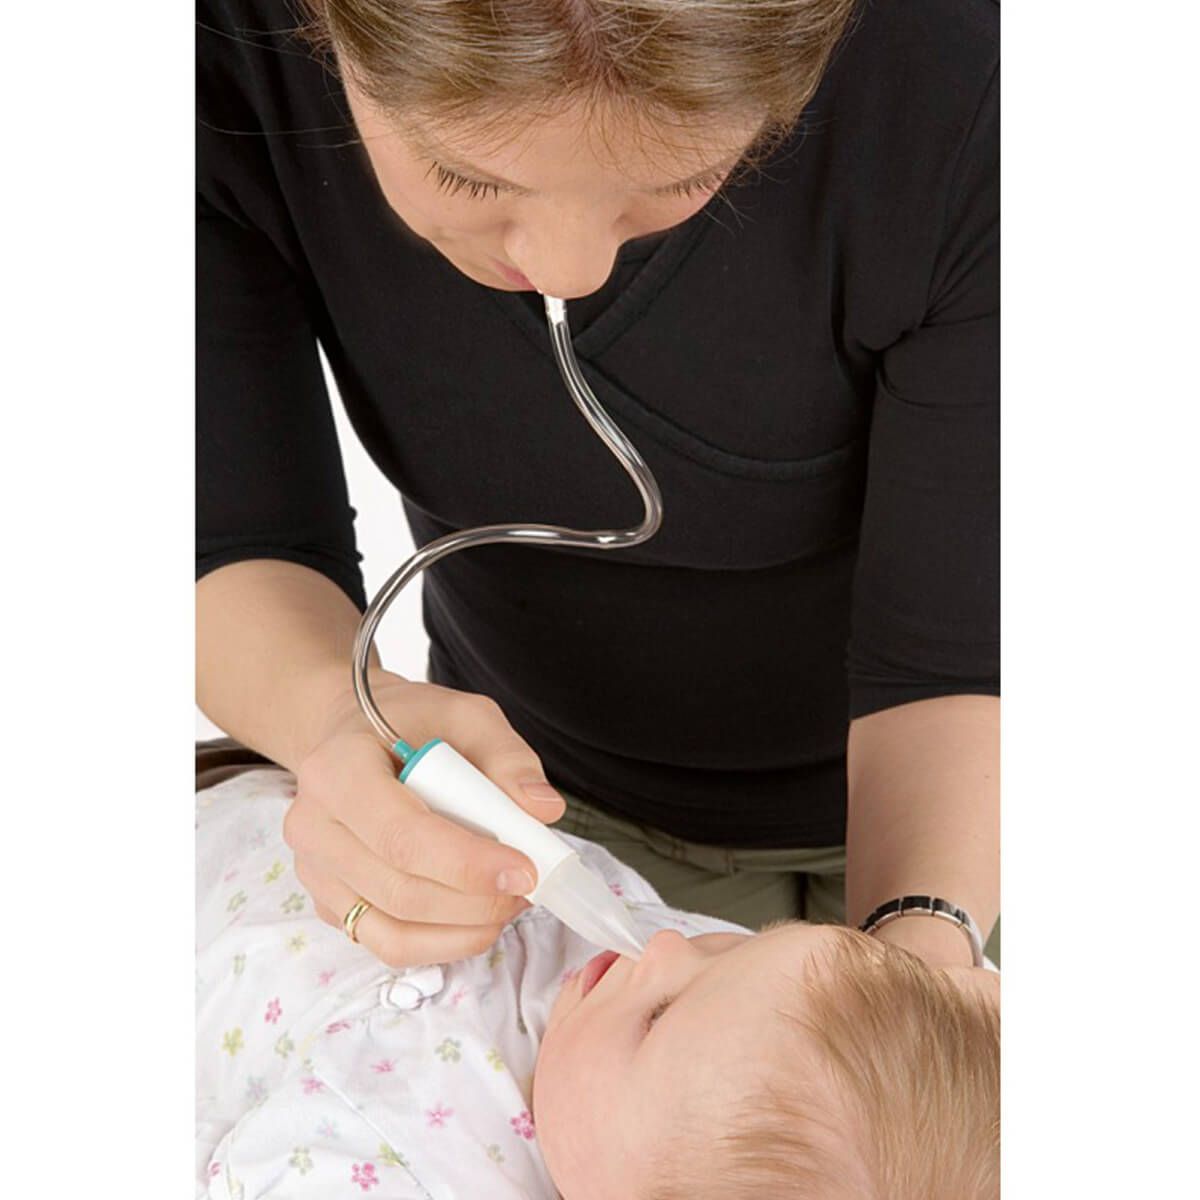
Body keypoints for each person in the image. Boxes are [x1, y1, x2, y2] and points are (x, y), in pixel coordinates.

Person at [196, 0, 1000, 980]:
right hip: (541, 812)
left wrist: (921, 960)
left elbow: (954, 652)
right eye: (468, 175)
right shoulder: (208, 49)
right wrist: (332, 716)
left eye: (685, 177)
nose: (568, 270)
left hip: (977, 802)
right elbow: (220, 531)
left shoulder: (968, 71)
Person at [198, 765, 999, 1199]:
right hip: (289, 798)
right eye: (742, 948)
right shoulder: (737, 1022)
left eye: (659, 1016)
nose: (667, 951)